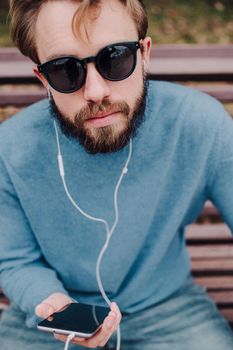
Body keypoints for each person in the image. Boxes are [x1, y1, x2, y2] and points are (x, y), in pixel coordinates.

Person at [0, 0, 233, 349]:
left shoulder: (200, 124)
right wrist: (50, 303)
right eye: (66, 71)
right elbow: (15, 259)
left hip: (166, 309)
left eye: (116, 58)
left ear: (145, 53)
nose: (96, 92)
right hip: (48, 316)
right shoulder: (11, 147)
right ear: (42, 78)